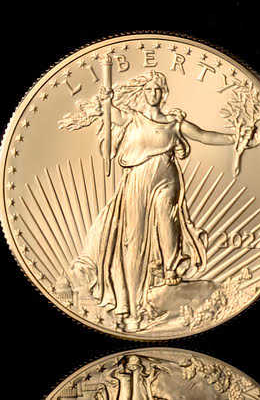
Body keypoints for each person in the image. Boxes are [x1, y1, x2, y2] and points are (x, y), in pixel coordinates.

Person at [59, 70, 243, 332]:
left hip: (167, 177)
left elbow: (204, 135)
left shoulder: (173, 123)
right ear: (143, 93)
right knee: (134, 239)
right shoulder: (132, 119)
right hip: (137, 179)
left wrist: (238, 138)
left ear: (164, 93)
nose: (154, 94)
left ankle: (170, 272)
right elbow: (111, 115)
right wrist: (107, 103)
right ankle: (133, 307)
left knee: (168, 223)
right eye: (149, 90)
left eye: (158, 90)